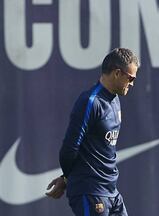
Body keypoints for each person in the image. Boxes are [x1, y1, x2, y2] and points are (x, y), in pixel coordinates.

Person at [46, 48, 139, 216]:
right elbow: (69, 149)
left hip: (111, 192)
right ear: (117, 73)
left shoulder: (115, 100)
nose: (132, 83)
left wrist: (65, 179)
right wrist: (70, 178)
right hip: (91, 192)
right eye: (130, 78)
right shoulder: (90, 102)